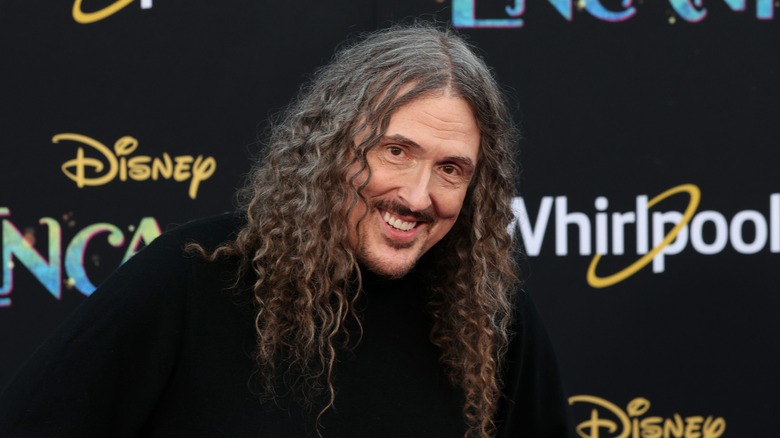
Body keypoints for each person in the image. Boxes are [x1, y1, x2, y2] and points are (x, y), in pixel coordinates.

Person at [0, 24, 573, 437]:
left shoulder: (493, 318)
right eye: (395, 151)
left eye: (451, 169)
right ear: (329, 149)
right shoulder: (190, 278)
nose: (418, 195)